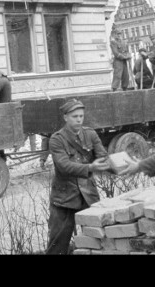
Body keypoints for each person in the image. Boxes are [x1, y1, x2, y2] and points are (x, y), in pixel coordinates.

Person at [45, 99, 110, 255]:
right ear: (65, 117)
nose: (79, 119)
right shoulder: (56, 139)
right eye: (75, 116)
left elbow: (103, 155)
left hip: (88, 195)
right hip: (64, 198)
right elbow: (64, 166)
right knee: (57, 244)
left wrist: (115, 163)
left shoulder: (90, 134)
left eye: (81, 116)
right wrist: (90, 167)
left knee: (96, 240)